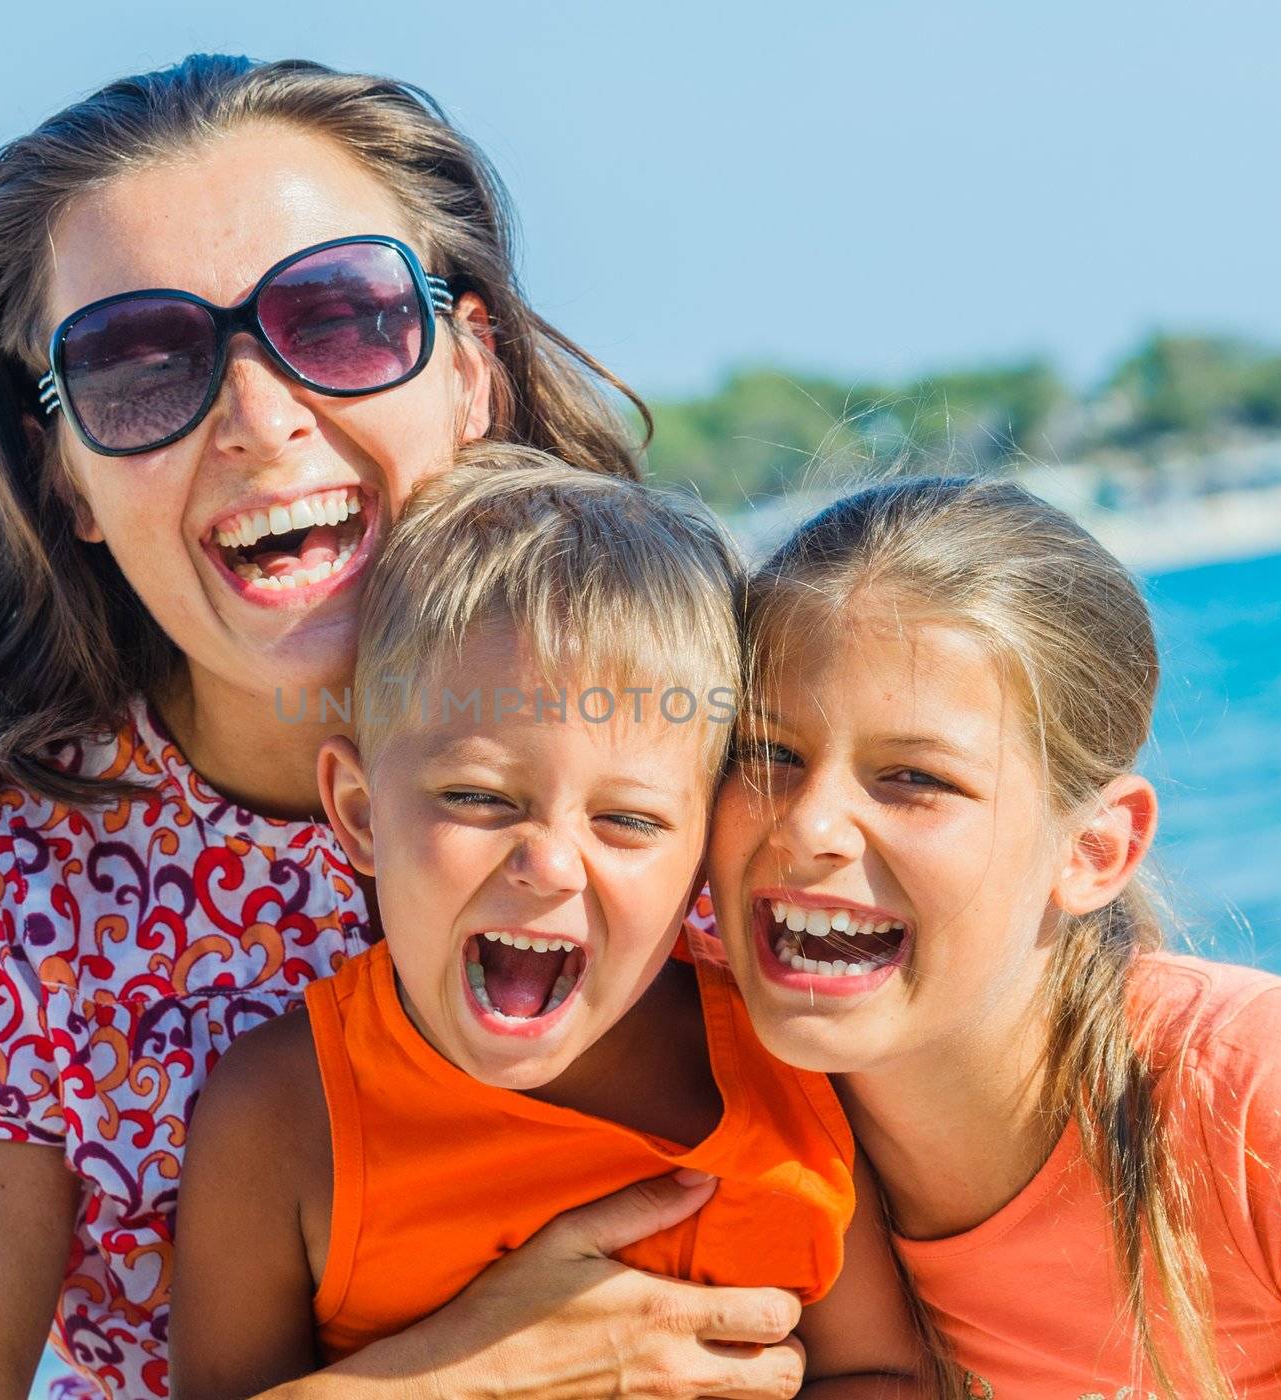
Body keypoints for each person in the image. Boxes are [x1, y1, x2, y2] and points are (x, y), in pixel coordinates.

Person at [0, 54, 811, 1400]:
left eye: (336, 318)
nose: (258, 419)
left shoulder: (738, 716)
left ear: (471, 370)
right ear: (67, 476)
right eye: (137, 366)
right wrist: (448, 1381)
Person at [170, 452, 924, 1399]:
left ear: (702, 857)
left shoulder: (787, 1067)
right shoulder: (284, 1115)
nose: (551, 863)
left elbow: (880, 1373)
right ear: (360, 813)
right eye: (479, 797)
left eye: (630, 822)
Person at [706, 475, 1281, 1398]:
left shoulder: (1257, 1097)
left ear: (1096, 849)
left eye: (912, 777)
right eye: (767, 754)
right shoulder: (704, 1094)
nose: (809, 824)